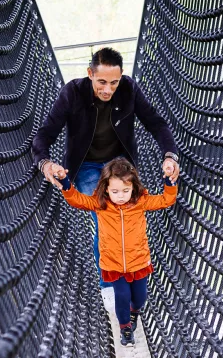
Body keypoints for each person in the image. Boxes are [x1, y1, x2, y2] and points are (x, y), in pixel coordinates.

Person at [32, 47, 180, 288]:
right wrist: (45, 163)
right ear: (90, 73)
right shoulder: (72, 93)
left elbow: (157, 123)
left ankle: (132, 274)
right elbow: (45, 133)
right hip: (87, 166)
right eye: (101, 81)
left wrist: (170, 156)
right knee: (107, 212)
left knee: (131, 215)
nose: (108, 89)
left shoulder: (129, 89)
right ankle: (111, 286)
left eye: (114, 82)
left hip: (121, 165)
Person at [55, 158, 178, 346]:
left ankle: (134, 312)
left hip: (138, 261)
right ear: (106, 189)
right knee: (122, 296)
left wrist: (169, 181)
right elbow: (77, 200)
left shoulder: (140, 202)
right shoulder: (100, 204)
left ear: (133, 188)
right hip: (113, 264)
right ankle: (125, 328)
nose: (120, 196)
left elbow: (166, 200)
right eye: (115, 191)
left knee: (139, 298)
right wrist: (65, 183)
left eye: (125, 191)